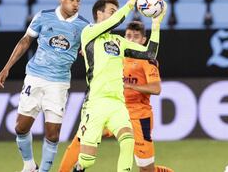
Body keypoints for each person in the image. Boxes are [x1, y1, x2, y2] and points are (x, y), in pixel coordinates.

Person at [0, 0, 89, 172]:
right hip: (35, 78)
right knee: (21, 128)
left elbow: (89, 50)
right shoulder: (43, 16)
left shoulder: (83, 26)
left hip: (59, 83)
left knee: (53, 134)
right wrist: (7, 67)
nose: (76, 4)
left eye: (78, 0)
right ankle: (29, 165)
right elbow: (25, 41)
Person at [58, 21, 172, 172]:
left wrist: (131, 86)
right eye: (128, 36)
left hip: (138, 115)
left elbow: (156, 89)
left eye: (136, 37)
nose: (131, 40)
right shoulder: (117, 54)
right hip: (111, 108)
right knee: (80, 141)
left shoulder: (147, 60)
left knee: (146, 169)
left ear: (143, 40)